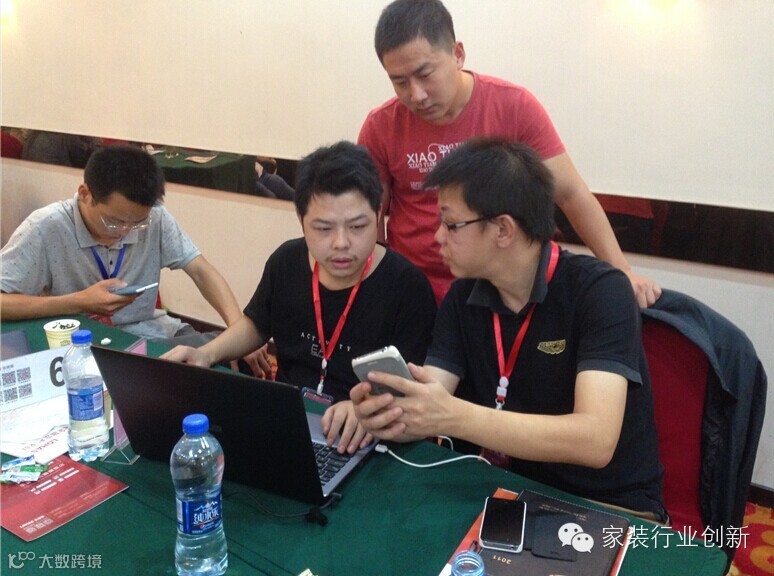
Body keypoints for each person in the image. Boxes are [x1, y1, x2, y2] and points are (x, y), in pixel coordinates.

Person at [352, 139, 666, 520]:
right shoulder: (462, 297)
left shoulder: (601, 291)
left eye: (451, 225)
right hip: (506, 491)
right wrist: (390, 413)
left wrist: (451, 416)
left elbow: (595, 440)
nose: (438, 238)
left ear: (503, 230)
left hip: (604, 506)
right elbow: (433, 397)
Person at [358, 0, 661, 307]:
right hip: (416, 291)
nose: (416, 95)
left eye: (425, 74)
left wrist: (621, 270)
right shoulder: (381, 126)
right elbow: (369, 214)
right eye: (400, 82)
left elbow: (570, 194)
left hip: (504, 292)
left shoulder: (513, 107)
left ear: (458, 54)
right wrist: (374, 284)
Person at [162, 141, 437, 454]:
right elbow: (257, 324)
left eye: (357, 226)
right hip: (288, 418)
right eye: (323, 229)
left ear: (378, 214)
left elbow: (413, 389)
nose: (341, 243)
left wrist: (367, 409)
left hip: (364, 437)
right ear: (300, 219)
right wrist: (206, 354)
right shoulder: (286, 261)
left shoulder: (407, 286)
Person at [0, 145, 269, 373]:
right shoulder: (46, 227)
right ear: (85, 194)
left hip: (153, 334)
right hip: (82, 345)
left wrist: (237, 331)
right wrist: (79, 301)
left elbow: (201, 271)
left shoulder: (156, 218)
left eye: (137, 223)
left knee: (229, 360)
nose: (125, 231)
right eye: (114, 221)